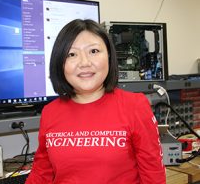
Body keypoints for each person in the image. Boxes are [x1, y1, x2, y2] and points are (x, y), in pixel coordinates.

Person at [25, 19, 166, 184]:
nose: (84, 63)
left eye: (93, 51)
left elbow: (153, 176)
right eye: (72, 54)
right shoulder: (50, 112)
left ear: (109, 56)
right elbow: (41, 174)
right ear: (60, 63)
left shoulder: (135, 105)